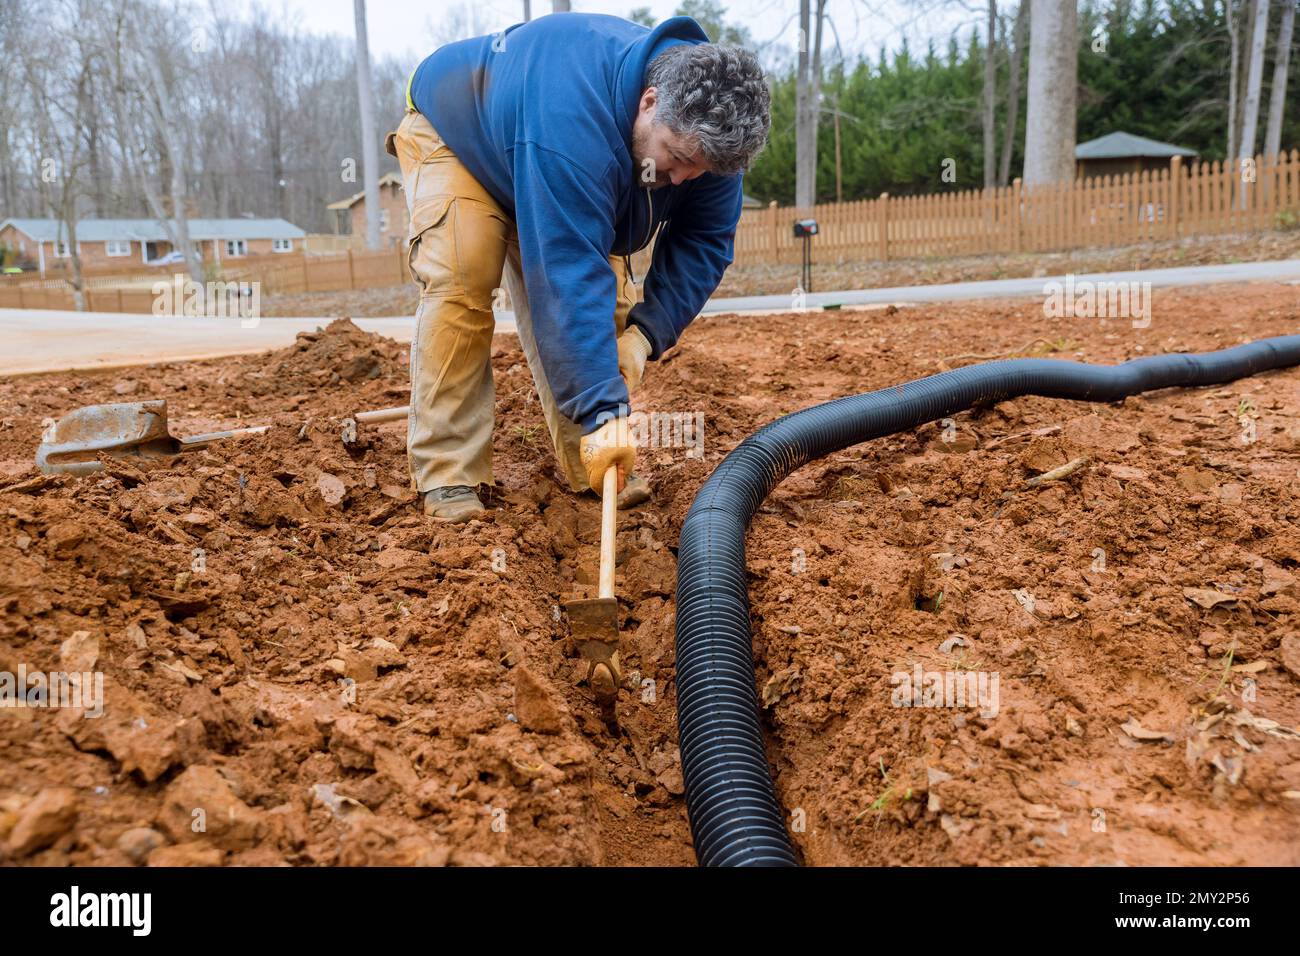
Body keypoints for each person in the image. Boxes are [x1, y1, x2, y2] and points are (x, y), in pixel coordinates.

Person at [387, 12, 770, 522]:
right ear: (649, 103)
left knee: (604, 320)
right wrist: (603, 412)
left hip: (542, 149)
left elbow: (704, 243)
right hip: (460, 132)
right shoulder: (573, 118)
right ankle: (449, 474)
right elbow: (567, 273)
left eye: (699, 171)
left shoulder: (711, 140)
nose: (681, 180)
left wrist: (644, 336)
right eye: (675, 159)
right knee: (464, 276)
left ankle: (596, 467)